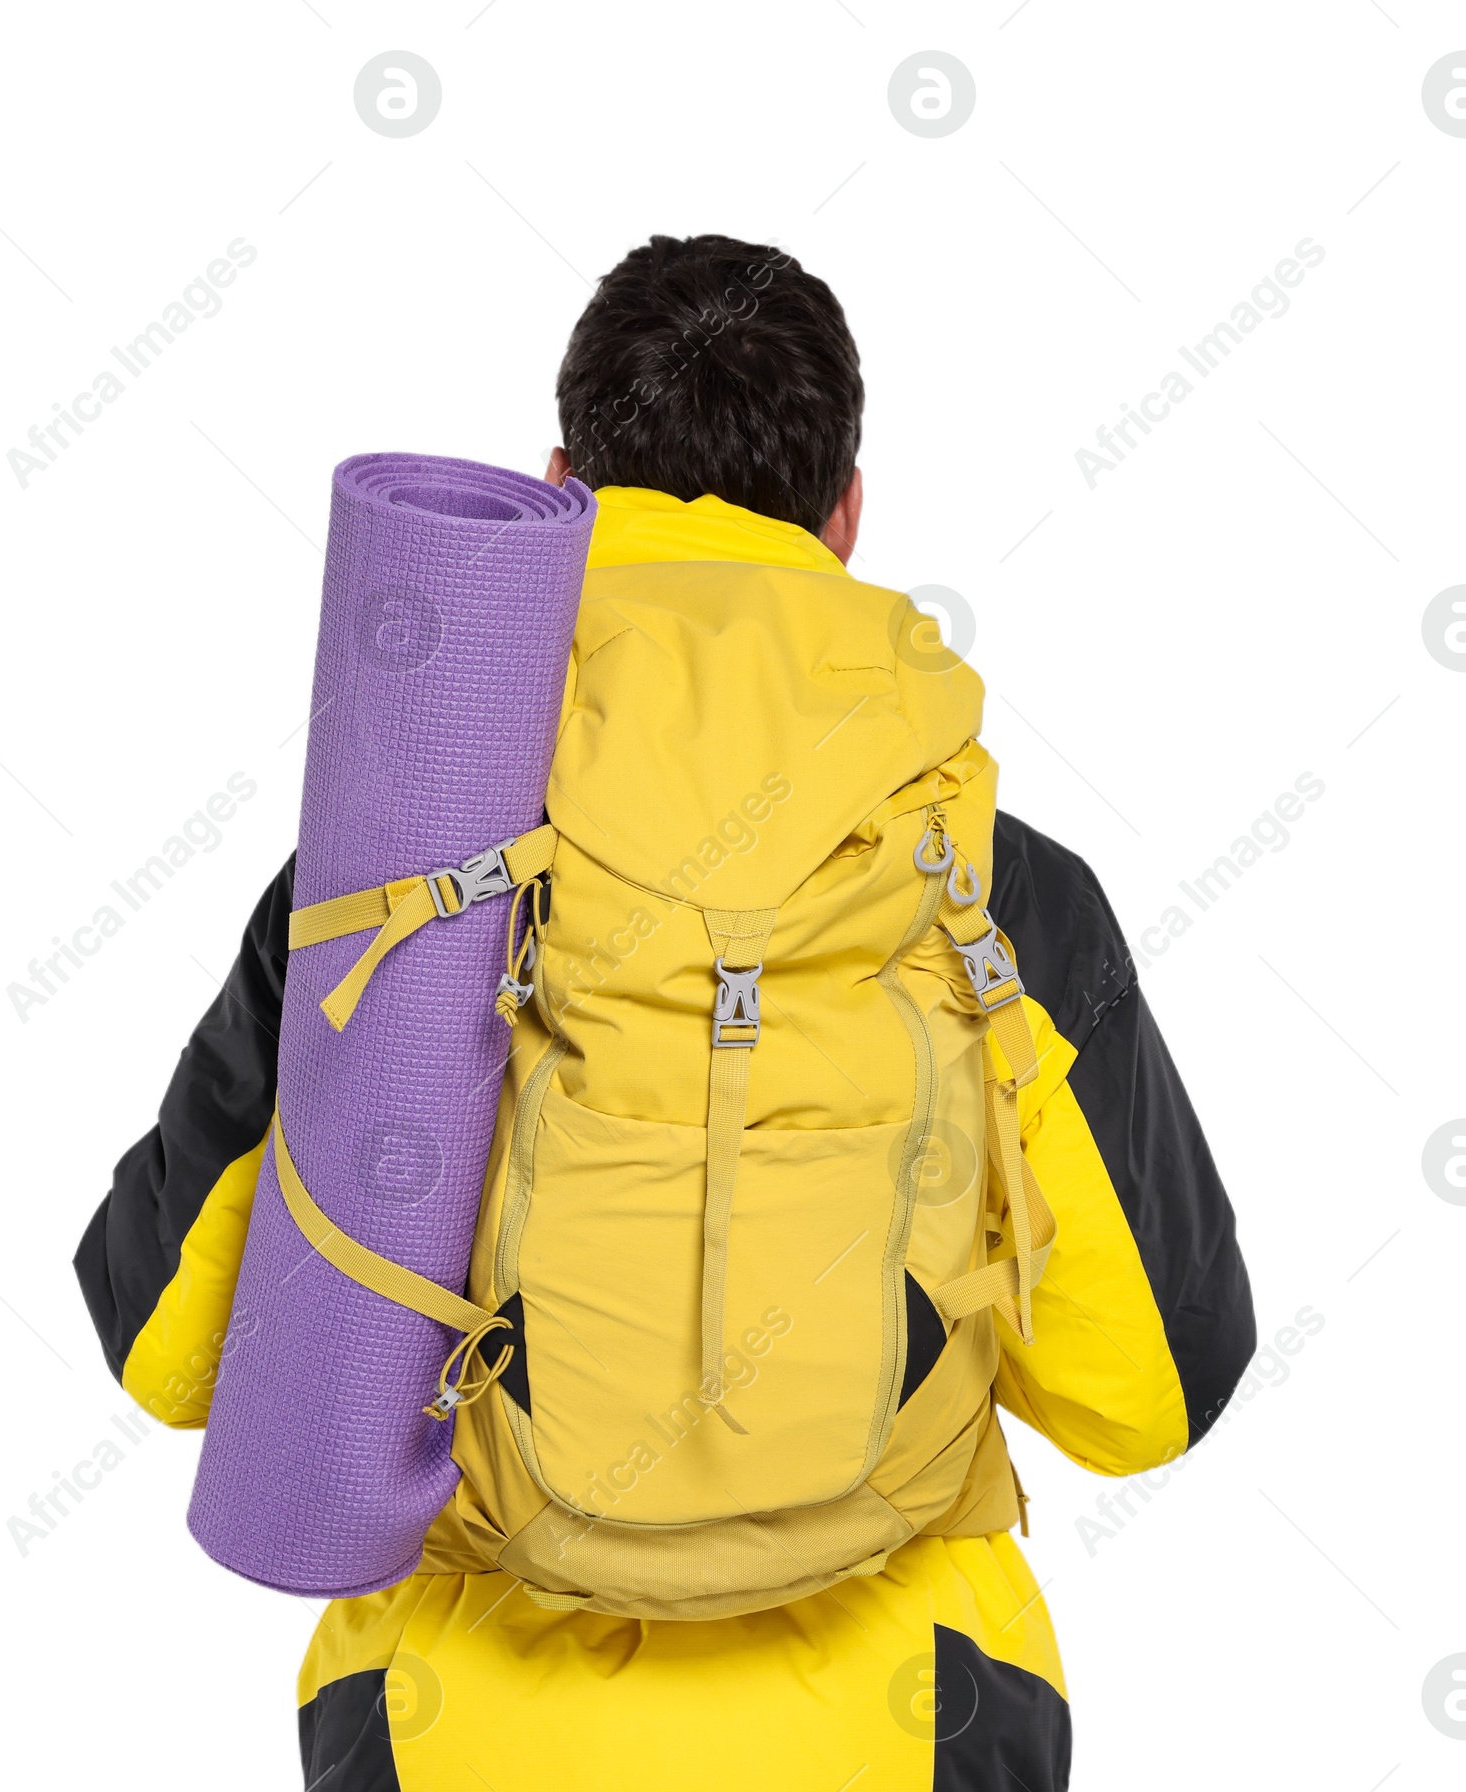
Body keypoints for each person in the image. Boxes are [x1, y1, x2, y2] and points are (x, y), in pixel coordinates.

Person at [75, 234, 1255, 1790]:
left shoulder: (400, 868)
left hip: (457, 1734)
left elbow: (169, 1353)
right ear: (846, 516)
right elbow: (1149, 1391)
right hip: (908, 1722)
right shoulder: (1000, 884)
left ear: (559, 483)